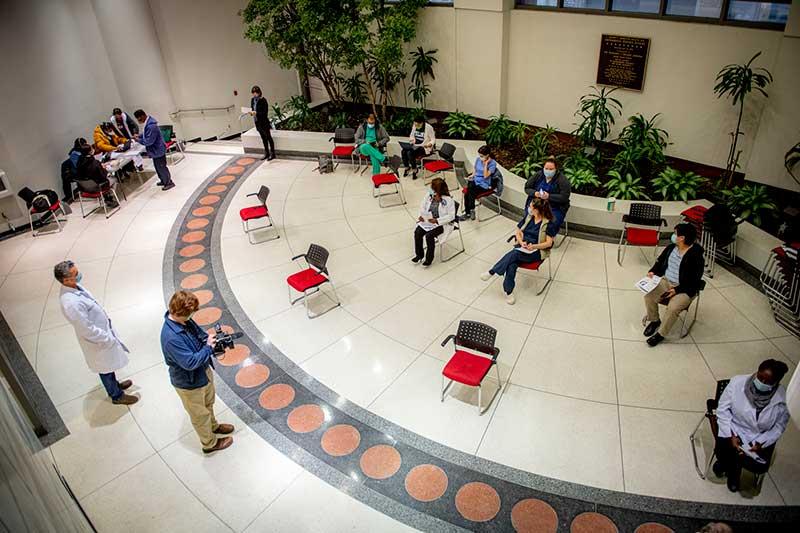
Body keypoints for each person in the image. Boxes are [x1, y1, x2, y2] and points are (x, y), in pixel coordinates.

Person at [54, 260, 138, 405]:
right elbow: (86, 328)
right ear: (66, 280)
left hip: (102, 336)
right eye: (75, 274)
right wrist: (106, 338)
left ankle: (116, 385)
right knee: (104, 369)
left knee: (108, 365)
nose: (79, 275)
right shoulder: (70, 303)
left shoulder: (75, 287)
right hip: (97, 341)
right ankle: (116, 395)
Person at [160, 290, 234, 454]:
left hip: (203, 373)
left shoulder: (185, 322)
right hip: (190, 383)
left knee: (208, 404)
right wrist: (208, 347)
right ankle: (209, 443)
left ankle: (213, 427)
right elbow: (190, 362)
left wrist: (211, 341)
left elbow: (200, 336)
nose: (192, 316)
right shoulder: (171, 337)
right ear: (180, 313)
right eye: (190, 314)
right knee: (199, 415)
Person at [713, 359, 790, 493]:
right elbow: (722, 410)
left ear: (776, 383)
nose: (762, 383)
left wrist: (761, 443)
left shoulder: (783, 399)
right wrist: (731, 434)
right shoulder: (737, 383)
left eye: (768, 382)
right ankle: (730, 470)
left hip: (758, 436)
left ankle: (732, 470)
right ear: (757, 372)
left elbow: (779, 427)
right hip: (734, 427)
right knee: (725, 450)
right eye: (760, 378)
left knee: (754, 463)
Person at [480, 198, 556, 305]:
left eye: (531, 207)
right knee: (511, 265)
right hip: (522, 248)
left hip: (536, 252)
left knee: (514, 254)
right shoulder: (528, 218)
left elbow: (549, 243)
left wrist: (534, 246)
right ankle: (509, 292)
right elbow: (518, 232)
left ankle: (492, 272)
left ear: (538, 210)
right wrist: (521, 242)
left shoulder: (548, 223)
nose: (529, 209)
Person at [642, 223, 704, 347]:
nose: (673, 236)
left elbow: (695, 280)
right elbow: (659, 262)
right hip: (666, 281)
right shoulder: (671, 248)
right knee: (648, 295)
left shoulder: (696, 256)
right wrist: (652, 271)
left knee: (673, 308)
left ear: (682, 238)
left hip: (685, 288)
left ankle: (661, 334)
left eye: (675, 234)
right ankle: (654, 320)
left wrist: (677, 290)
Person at [412, 177, 456, 267]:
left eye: (433, 187)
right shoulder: (429, 195)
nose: (431, 189)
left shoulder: (448, 200)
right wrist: (422, 215)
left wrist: (437, 220)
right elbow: (422, 205)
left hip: (441, 224)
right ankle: (419, 255)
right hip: (427, 221)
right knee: (417, 232)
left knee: (429, 236)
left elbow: (451, 216)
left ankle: (429, 259)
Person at [524, 156, 570, 233]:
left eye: (551, 169)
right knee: (529, 217)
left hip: (555, 207)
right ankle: (530, 236)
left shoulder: (562, 180)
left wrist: (549, 196)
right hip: (537, 204)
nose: (548, 171)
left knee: (552, 223)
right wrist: (535, 193)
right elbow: (527, 188)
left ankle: (547, 240)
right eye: (546, 168)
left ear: (556, 169)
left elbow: (564, 197)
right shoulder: (538, 175)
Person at [133, 109, 175, 191]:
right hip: (155, 150)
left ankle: (169, 182)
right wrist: (139, 136)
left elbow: (149, 141)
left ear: (143, 116)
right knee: (158, 167)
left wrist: (138, 140)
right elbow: (146, 134)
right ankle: (163, 180)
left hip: (158, 150)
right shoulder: (148, 123)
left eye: (139, 119)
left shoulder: (151, 126)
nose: (138, 121)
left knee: (162, 167)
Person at [459, 145, 497, 221]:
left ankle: (468, 213)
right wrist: (472, 176)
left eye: (482, 156)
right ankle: (471, 210)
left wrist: (486, 164)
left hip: (484, 184)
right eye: (479, 156)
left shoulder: (492, 163)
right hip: (475, 181)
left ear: (487, 155)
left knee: (468, 192)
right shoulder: (478, 160)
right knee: (470, 190)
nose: (480, 157)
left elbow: (486, 176)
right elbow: (475, 171)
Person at [402, 115, 435, 180]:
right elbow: (411, 135)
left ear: (421, 123)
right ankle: (407, 167)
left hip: (423, 146)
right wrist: (412, 140)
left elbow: (433, 139)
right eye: (415, 124)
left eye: (417, 125)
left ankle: (414, 169)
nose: (415, 126)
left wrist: (429, 144)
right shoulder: (414, 126)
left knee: (410, 153)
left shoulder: (429, 127)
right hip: (415, 145)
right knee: (403, 151)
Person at [250, 85, 275, 161]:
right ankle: (266, 153)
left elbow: (265, 112)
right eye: (253, 92)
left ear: (259, 92)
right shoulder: (252, 100)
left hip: (264, 122)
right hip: (257, 122)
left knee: (268, 137)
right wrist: (251, 112)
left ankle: (273, 153)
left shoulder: (263, 100)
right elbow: (252, 108)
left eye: (256, 92)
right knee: (263, 138)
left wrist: (256, 113)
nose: (254, 94)